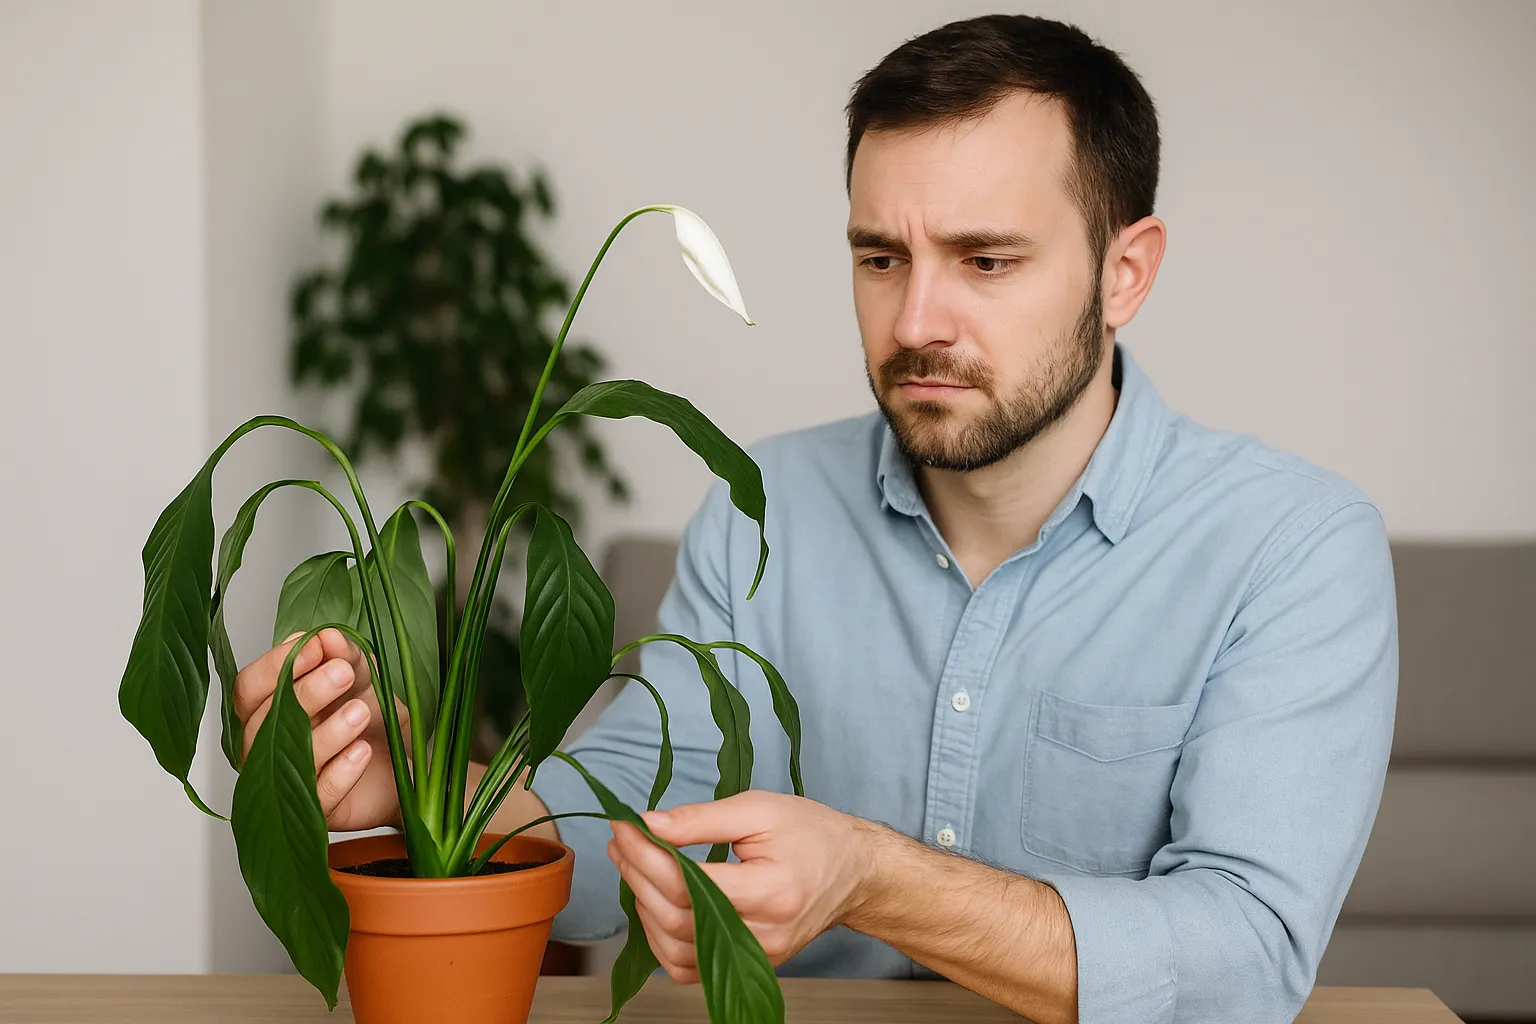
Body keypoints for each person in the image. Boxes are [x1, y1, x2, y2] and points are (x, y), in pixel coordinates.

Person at [233, 14, 1398, 1024]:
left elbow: (1244, 962)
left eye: (986, 260)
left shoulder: (1292, 549)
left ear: (1125, 272)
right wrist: (439, 798)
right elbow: (619, 837)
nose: (917, 320)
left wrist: (873, 878)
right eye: (881, 257)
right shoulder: (763, 505)